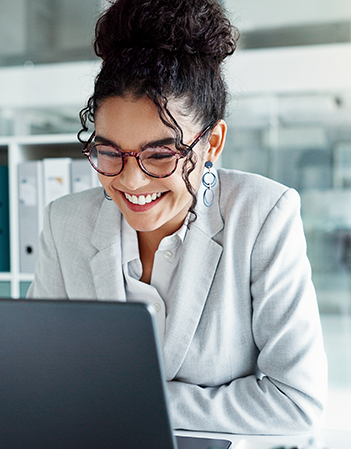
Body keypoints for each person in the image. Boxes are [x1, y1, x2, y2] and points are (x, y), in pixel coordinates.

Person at [26, 0, 327, 435]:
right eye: (109, 152)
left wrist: (130, 402)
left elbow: (296, 401)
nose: (131, 180)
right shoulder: (65, 222)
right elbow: (36, 376)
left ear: (213, 143)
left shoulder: (262, 215)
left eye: (161, 154)